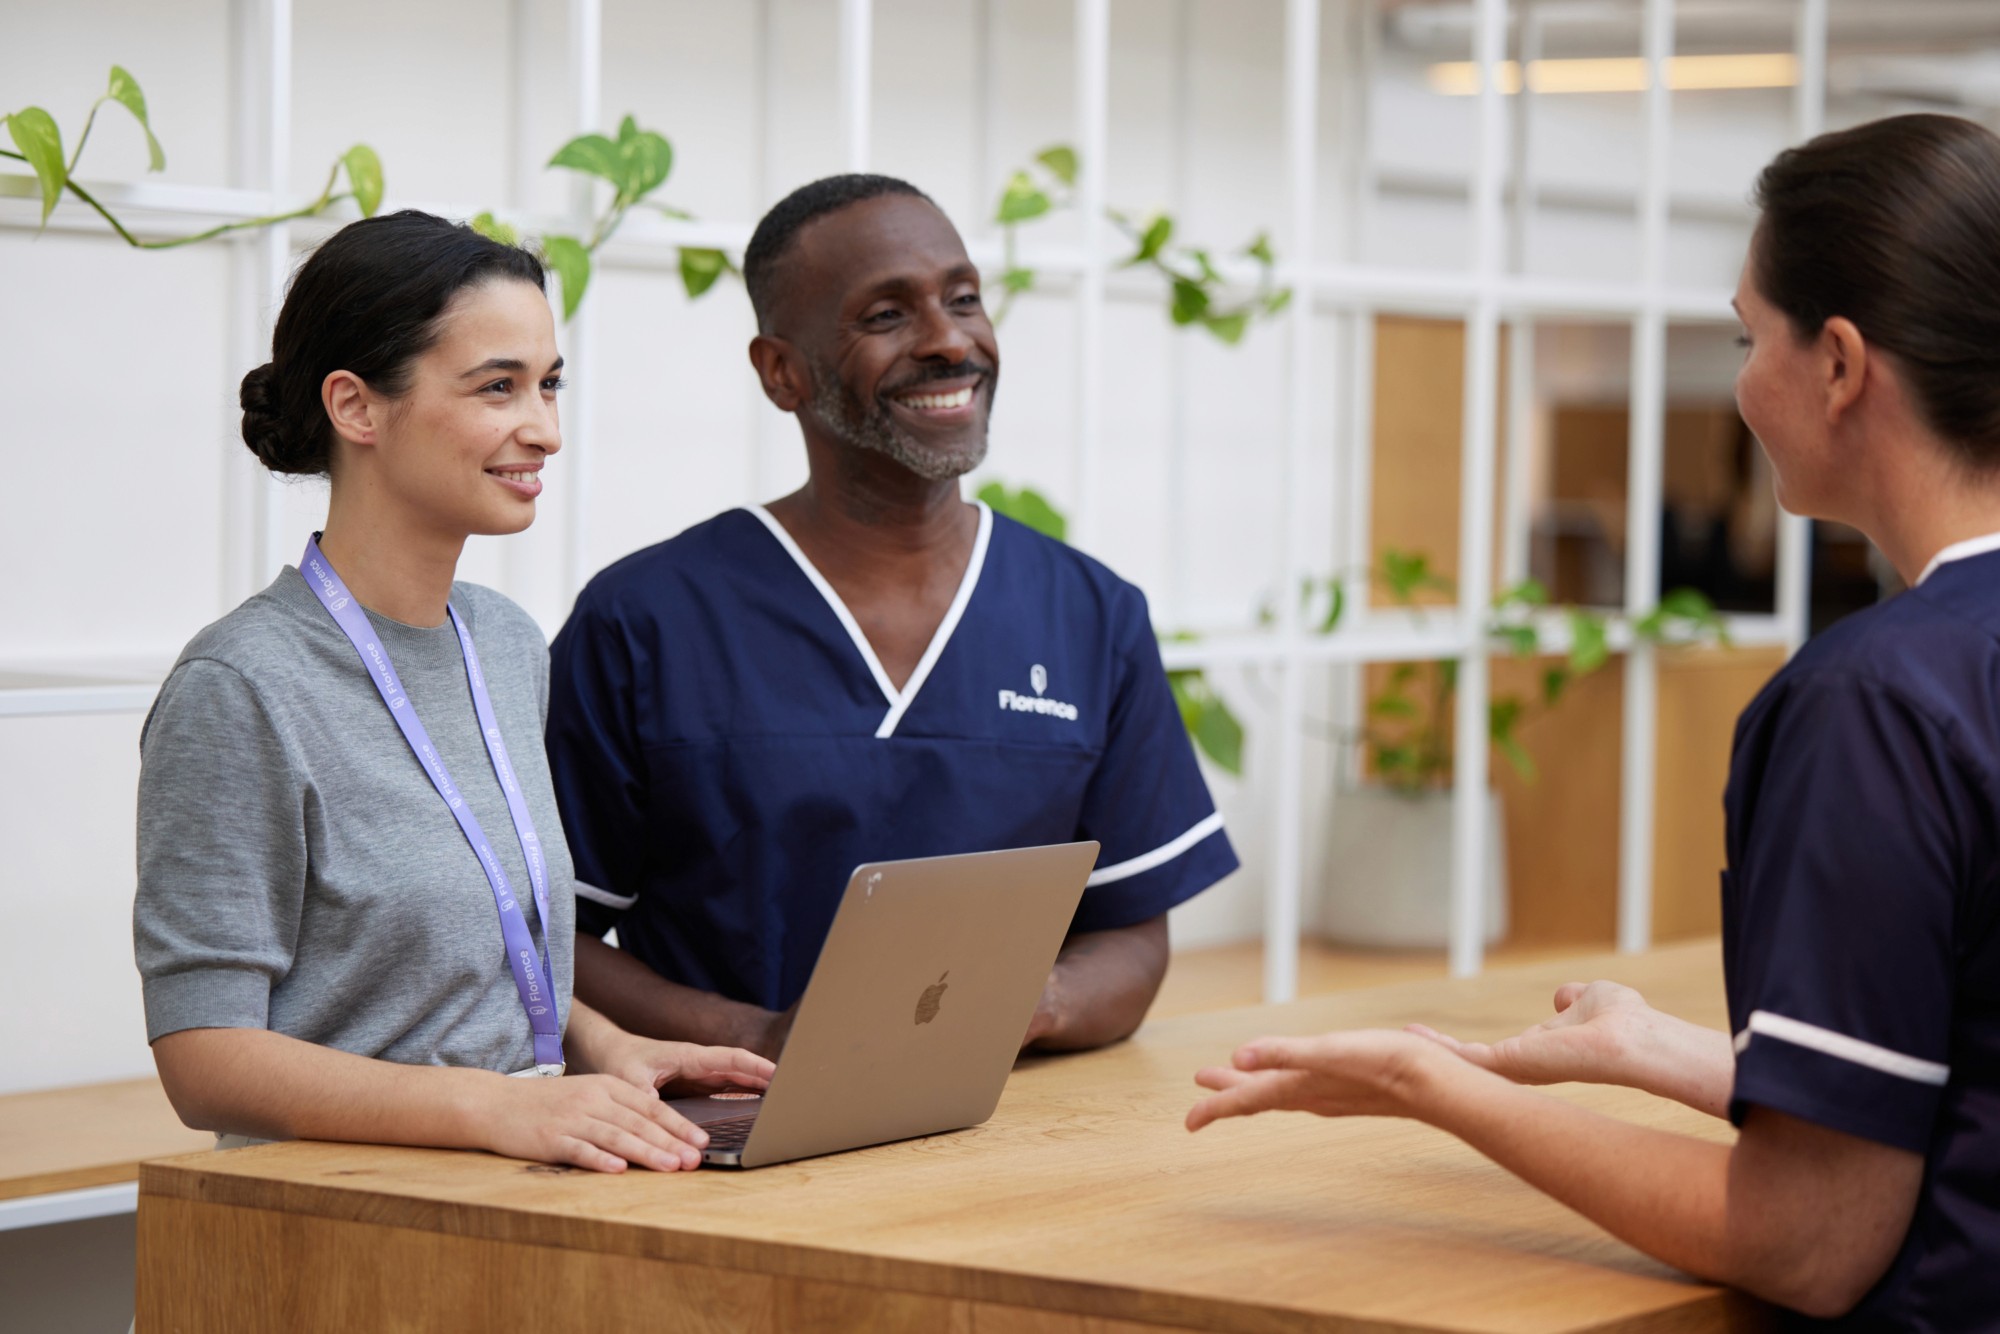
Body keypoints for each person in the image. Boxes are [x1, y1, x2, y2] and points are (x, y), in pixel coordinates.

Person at [1187, 113, 2000, 1328]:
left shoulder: (1872, 703)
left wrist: (1433, 1086)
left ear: (1837, 364)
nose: (1738, 382)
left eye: (1745, 336)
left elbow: (1807, 1237)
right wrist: (1664, 1051)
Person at [135, 210, 771, 1174]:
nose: (545, 430)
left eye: (549, 385)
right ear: (357, 408)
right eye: (498, 388)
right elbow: (204, 1058)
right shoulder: (240, 686)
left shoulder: (508, 647)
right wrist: (491, 1107)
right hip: (338, 1231)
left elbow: (476, 952)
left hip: (517, 1199)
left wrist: (607, 1049)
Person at [547, 174, 1237, 1059]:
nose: (950, 341)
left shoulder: (1091, 616)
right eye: (886, 316)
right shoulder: (644, 623)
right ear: (781, 371)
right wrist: (760, 1040)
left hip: (1008, 1131)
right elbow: (548, 942)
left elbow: (1134, 936)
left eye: (963, 300)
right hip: (725, 1143)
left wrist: (1030, 1002)